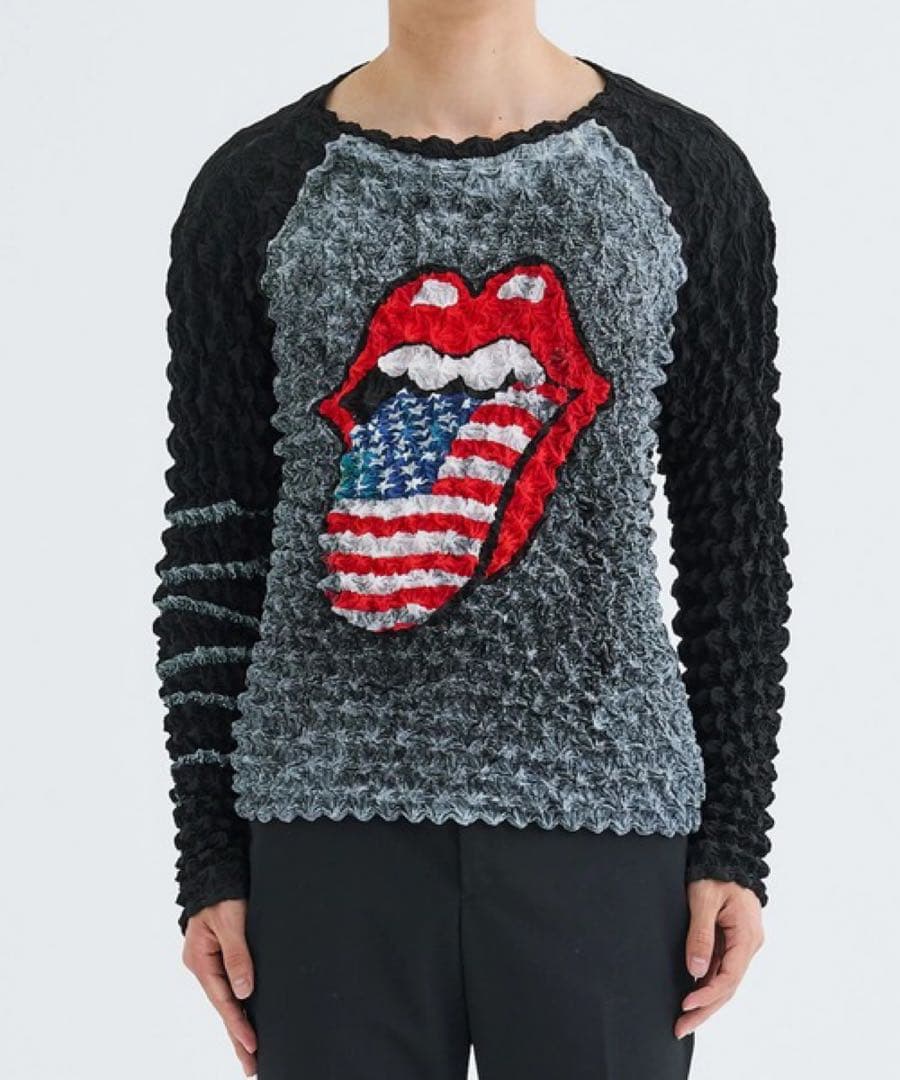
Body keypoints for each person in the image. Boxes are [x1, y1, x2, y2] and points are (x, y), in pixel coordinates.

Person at [152, 2, 791, 1077]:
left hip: (610, 827)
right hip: (322, 829)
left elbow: (735, 536)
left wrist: (734, 835)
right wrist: (210, 852)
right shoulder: (252, 190)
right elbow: (215, 545)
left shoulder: (686, 175)